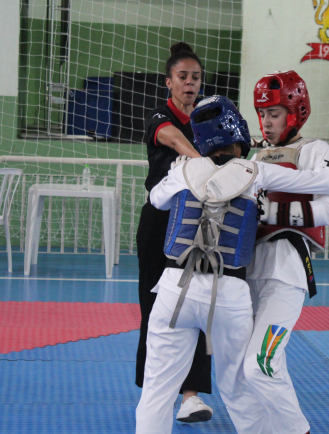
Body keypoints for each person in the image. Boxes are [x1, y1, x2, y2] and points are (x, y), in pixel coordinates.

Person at [135, 95, 329, 434]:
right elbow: (325, 182)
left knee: (156, 391)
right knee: (239, 389)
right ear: (238, 133)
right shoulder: (255, 172)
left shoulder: (183, 170)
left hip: (175, 288)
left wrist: (186, 174)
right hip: (228, 292)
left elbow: (157, 199)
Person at [245, 70, 329, 434]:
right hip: (247, 271)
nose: (266, 122)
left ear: (294, 112)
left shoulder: (315, 150)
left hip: (286, 270)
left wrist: (273, 212)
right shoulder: (258, 155)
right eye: (262, 114)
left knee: (260, 364)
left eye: (273, 113)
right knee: (250, 367)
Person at [134, 41, 214, 423]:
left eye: (195, 77)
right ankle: (155, 393)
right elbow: (175, 140)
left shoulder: (209, 119)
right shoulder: (159, 117)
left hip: (199, 226)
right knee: (155, 311)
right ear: (169, 81)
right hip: (159, 226)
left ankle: (191, 396)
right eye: (183, 77)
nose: (190, 83)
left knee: (195, 307)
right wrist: (208, 168)